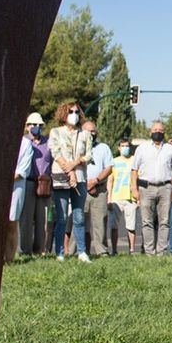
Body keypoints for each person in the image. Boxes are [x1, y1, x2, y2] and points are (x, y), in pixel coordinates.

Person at [48, 102, 92, 263]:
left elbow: (88, 155)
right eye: (70, 111)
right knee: (61, 217)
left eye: (77, 112)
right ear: (63, 114)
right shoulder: (55, 132)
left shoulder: (85, 134)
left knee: (79, 216)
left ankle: (82, 252)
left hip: (80, 179)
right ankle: (59, 252)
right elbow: (56, 152)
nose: (74, 114)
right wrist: (70, 170)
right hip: (62, 177)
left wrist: (75, 165)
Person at [131, 122, 172, 255]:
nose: (157, 132)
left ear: (164, 132)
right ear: (150, 132)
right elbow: (134, 170)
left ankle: (161, 252)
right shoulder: (142, 148)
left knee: (164, 222)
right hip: (146, 188)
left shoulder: (170, 149)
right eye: (155, 130)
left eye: (160, 130)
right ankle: (149, 252)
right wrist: (134, 190)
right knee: (146, 221)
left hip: (165, 188)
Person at [17, 113, 51, 256]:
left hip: (44, 184)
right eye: (33, 125)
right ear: (27, 127)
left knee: (42, 219)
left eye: (39, 125)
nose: (36, 127)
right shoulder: (22, 142)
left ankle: (39, 250)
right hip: (28, 182)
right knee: (26, 219)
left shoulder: (48, 142)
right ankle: (25, 250)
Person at [8, 115, 35, 263]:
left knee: (11, 223)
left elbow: (21, 172)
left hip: (16, 188)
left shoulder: (26, 144)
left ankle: (9, 259)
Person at [83, 120, 112, 257]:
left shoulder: (103, 148)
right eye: (88, 131)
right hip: (81, 189)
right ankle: (78, 251)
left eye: (93, 131)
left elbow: (109, 168)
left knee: (100, 222)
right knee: (79, 221)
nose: (91, 133)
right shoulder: (77, 147)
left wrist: (96, 180)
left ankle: (102, 251)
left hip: (99, 189)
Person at [108, 137, 138, 253]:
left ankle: (131, 250)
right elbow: (110, 180)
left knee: (131, 226)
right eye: (123, 146)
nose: (125, 148)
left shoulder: (134, 160)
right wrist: (109, 198)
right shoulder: (114, 162)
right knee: (114, 226)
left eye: (127, 146)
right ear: (119, 148)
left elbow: (137, 179)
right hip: (116, 197)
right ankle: (114, 250)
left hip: (130, 198)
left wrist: (137, 197)